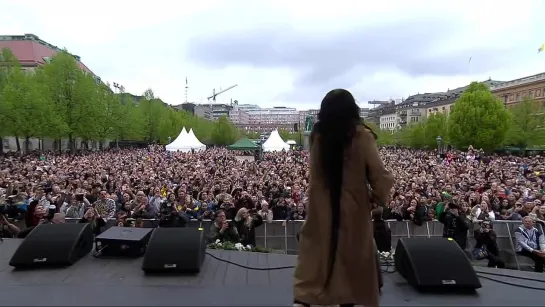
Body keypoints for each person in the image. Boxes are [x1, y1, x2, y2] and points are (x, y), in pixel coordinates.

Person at [293, 89, 394, 307]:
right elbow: (380, 175)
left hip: (321, 211)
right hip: (354, 212)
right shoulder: (361, 136)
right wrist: (376, 200)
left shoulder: (317, 137)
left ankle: (306, 300)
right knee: (351, 270)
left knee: (316, 265)